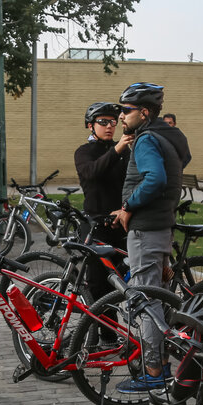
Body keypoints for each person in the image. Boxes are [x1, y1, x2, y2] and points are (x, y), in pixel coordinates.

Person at [107, 83, 184, 393]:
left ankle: (154, 372)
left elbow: (155, 179)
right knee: (157, 299)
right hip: (161, 226)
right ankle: (162, 365)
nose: (121, 115)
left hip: (147, 231)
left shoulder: (147, 140)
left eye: (126, 110)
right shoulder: (167, 138)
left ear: (145, 112)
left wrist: (128, 207)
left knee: (145, 301)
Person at [74, 101, 132, 301]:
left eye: (113, 122)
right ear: (91, 125)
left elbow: (132, 182)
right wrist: (116, 150)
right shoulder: (84, 152)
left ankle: (114, 329)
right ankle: (99, 332)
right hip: (96, 227)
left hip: (120, 224)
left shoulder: (124, 151)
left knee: (120, 285)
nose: (109, 126)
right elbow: (92, 172)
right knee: (98, 288)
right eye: (103, 122)